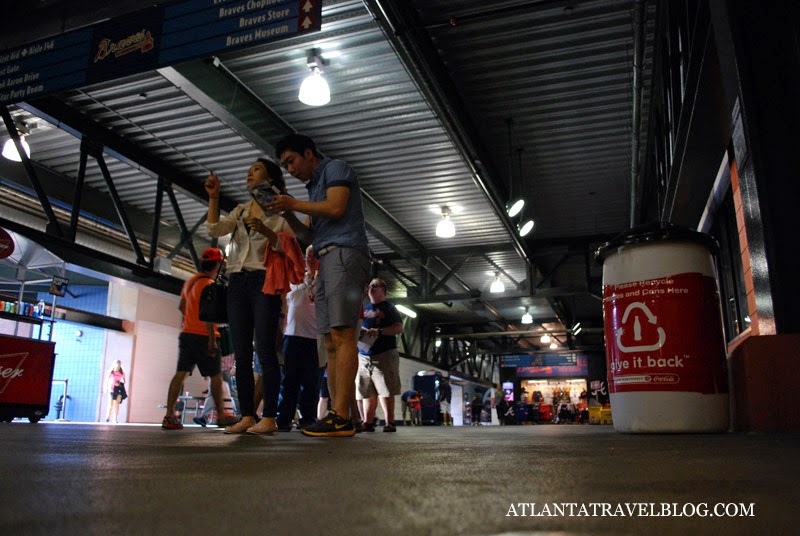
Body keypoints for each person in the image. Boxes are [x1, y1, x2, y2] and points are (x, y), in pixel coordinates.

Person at [268, 134, 371, 437]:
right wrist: (288, 212)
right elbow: (309, 236)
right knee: (329, 341)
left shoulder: (335, 169)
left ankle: (340, 415)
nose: (289, 169)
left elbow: (337, 208)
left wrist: (294, 202)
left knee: (342, 334)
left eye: (291, 161)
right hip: (325, 257)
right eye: (284, 164)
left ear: (309, 153)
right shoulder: (313, 189)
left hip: (345, 252)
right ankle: (339, 415)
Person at [205, 159, 295, 435]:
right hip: (236, 281)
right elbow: (213, 230)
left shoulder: (281, 210)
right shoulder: (241, 210)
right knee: (241, 353)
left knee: (265, 350)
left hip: (262, 280)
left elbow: (290, 246)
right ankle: (247, 415)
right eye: (248, 170)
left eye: (255, 169)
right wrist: (214, 197)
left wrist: (267, 230)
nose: (249, 173)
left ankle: (269, 417)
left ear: (270, 177)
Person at [162, 248, 238, 430]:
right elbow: (209, 315)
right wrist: (212, 340)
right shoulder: (210, 285)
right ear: (218, 264)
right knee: (216, 376)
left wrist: (190, 321)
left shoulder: (190, 282)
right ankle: (221, 415)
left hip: (187, 334)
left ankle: (169, 414)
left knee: (181, 373)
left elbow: (182, 307)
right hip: (205, 336)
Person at [276, 245, 321, 431]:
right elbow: (284, 303)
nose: (310, 259)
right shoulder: (295, 278)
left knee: (311, 382)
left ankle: (308, 418)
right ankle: (284, 418)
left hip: (314, 338)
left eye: (314, 256)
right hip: (293, 336)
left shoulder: (324, 281)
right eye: (307, 256)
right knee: (289, 381)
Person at [355, 278, 403, 433]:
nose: (371, 288)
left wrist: (380, 331)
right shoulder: (364, 307)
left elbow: (398, 327)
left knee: (386, 389)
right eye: (370, 286)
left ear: (384, 291)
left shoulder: (389, 308)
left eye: (375, 286)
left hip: (384, 353)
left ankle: (390, 422)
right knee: (367, 389)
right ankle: (368, 422)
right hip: (364, 354)